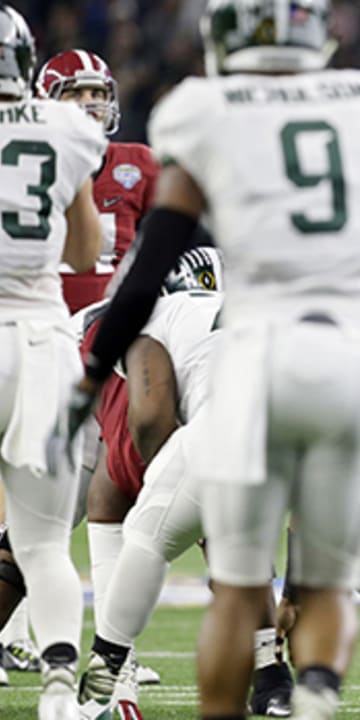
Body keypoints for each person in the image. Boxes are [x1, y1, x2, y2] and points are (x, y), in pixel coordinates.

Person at [63, 1, 360, 718]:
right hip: (355, 365)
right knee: (325, 581)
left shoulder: (206, 111)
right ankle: (318, 698)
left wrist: (92, 370)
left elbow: (148, 275)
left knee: (237, 586)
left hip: (257, 358)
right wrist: (359, 339)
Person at [0, 5, 106, 719]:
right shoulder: (68, 128)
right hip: (40, 342)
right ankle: (61, 688)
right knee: (42, 545)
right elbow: (80, 251)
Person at [38, 49, 158, 315]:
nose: (89, 104)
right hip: (46, 314)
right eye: (76, 94)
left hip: (116, 315)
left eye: (97, 94)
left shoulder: (139, 162)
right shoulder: (27, 166)